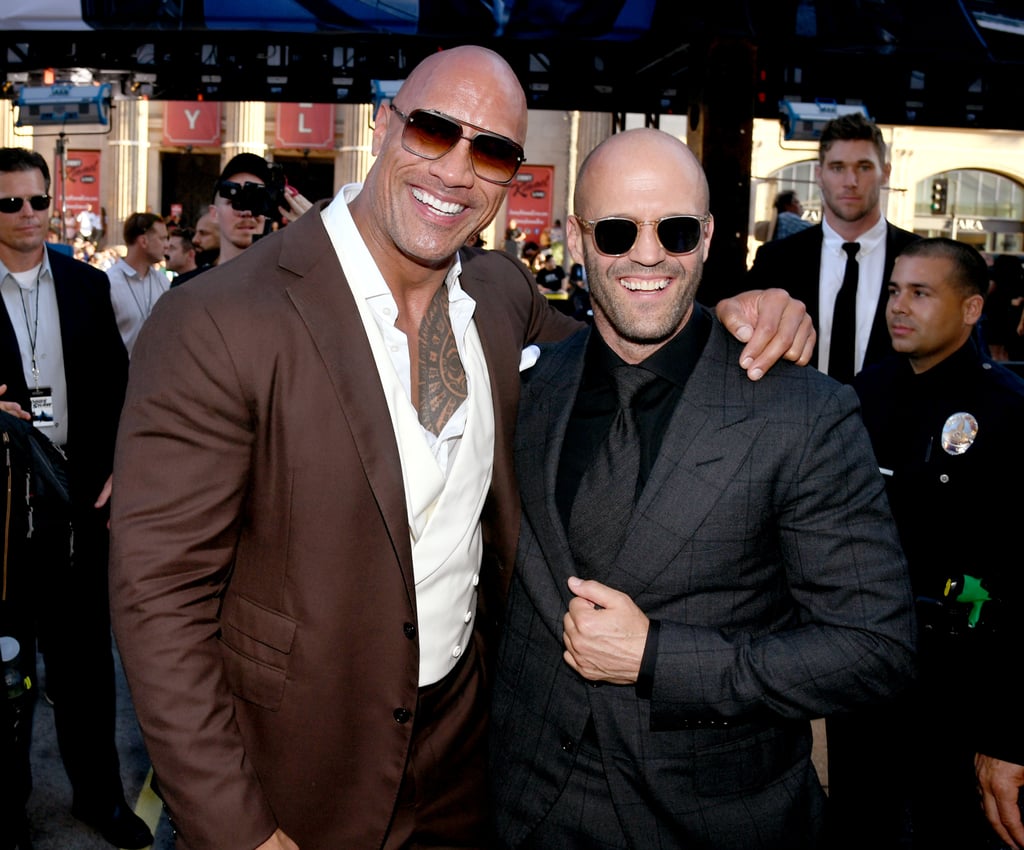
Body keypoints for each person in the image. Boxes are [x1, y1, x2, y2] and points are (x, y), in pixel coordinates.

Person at [108, 46, 815, 850]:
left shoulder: (499, 294)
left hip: (469, 752)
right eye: (434, 131)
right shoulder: (219, 318)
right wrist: (240, 832)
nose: (455, 170)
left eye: (492, 150)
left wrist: (736, 315)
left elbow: (631, 345)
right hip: (294, 763)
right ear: (383, 127)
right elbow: (158, 601)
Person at [489, 128, 916, 850]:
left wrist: (660, 659)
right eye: (618, 230)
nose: (648, 254)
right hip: (522, 812)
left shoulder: (803, 412)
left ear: (709, 237)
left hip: (710, 823)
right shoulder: (526, 388)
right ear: (576, 236)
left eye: (676, 231)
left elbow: (876, 648)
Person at [0, 147, 150, 849]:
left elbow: (122, 390)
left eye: (37, 200)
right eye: (10, 203)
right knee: (4, 668)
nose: (28, 215)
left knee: (87, 666)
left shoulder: (89, 287)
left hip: (78, 510)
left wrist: (122, 467)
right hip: (2, 514)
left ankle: (100, 799)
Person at [852, 238, 1024, 850]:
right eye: (896, 290)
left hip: (961, 686)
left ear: (972, 309)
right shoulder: (866, 393)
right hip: (867, 679)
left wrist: (1005, 736)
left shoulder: (1006, 412)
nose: (900, 306)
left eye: (921, 293)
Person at [746, 112, 919, 382]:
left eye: (864, 167)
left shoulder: (921, 259)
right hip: (798, 418)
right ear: (819, 174)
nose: (851, 181)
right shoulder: (777, 260)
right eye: (838, 167)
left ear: (885, 173)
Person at [105, 212, 169, 355]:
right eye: (162, 238)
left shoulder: (162, 281)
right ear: (143, 241)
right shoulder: (110, 283)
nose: (167, 245)